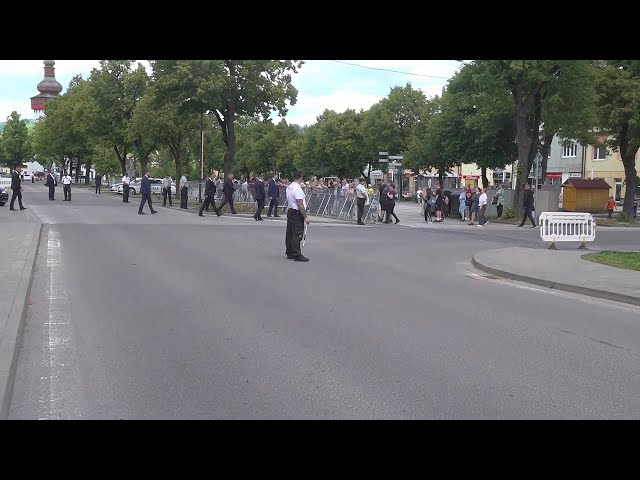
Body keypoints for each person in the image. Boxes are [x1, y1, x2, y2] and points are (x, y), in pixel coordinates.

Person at [285, 171, 310, 262]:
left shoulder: (289, 187)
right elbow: (300, 204)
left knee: (290, 233)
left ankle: (289, 252)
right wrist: (305, 216)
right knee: (297, 233)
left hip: (290, 210)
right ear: (301, 177)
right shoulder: (298, 189)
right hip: (296, 212)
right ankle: (297, 254)